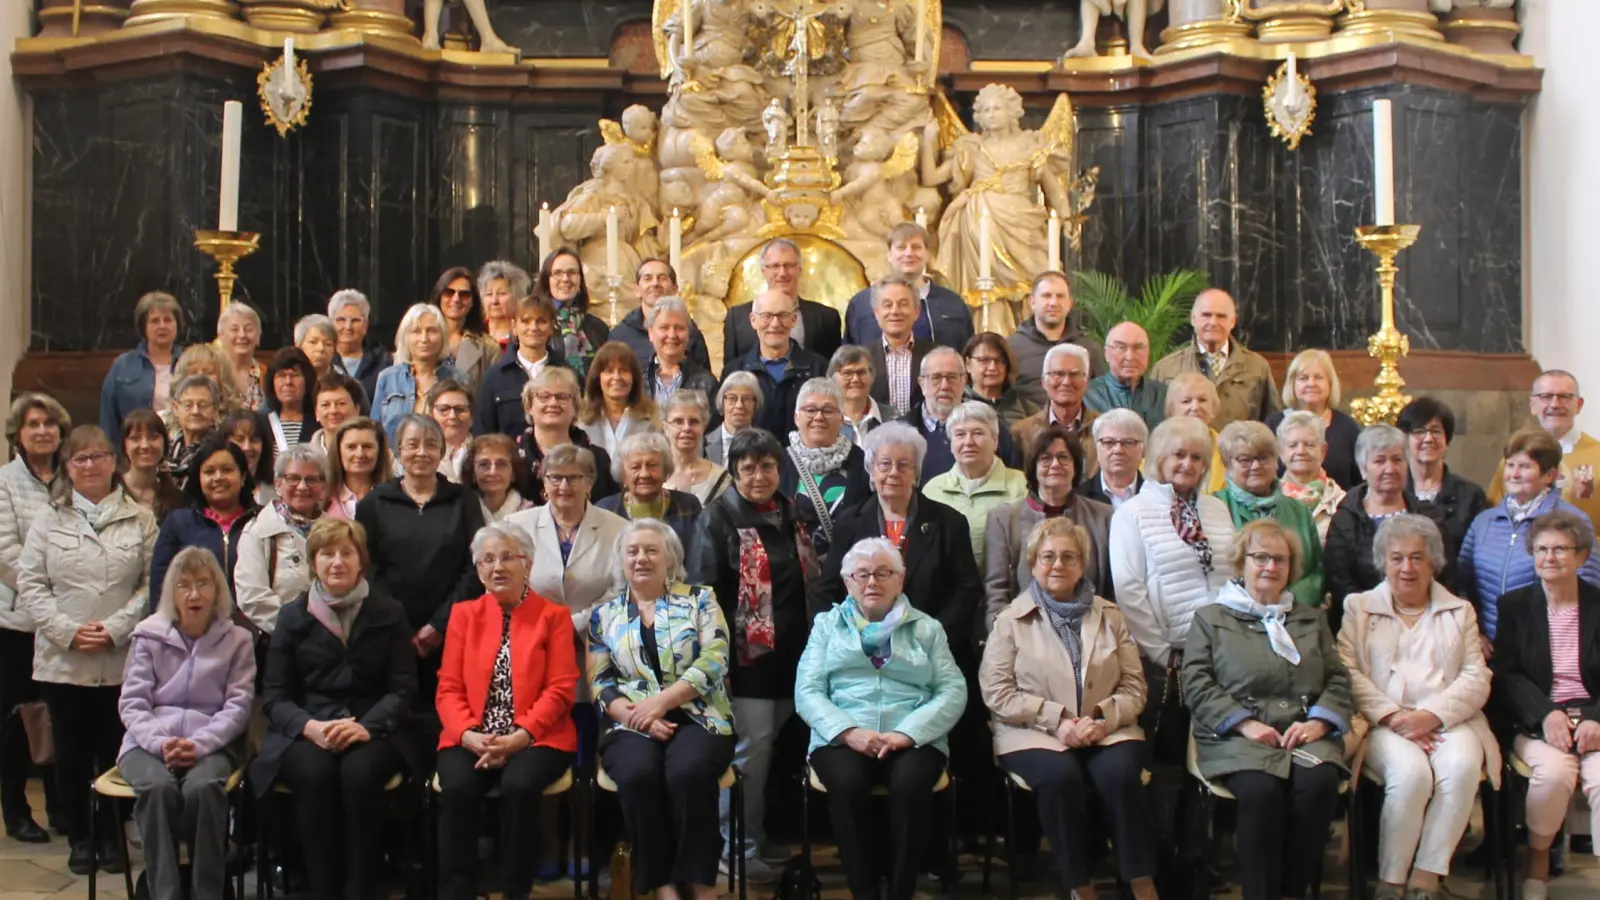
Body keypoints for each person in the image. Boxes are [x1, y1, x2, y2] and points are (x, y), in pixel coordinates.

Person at [980, 518, 1158, 900]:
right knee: (1061, 779)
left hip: (1106, 727)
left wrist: (1100, 719)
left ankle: (1141, 880)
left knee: (1121, 777)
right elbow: (997, 693)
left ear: (1083, 564)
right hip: (1031, 731)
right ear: (1032, 563)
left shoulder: (1110, 615)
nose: (1057, 564)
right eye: (1047, 557)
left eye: (1068, 556)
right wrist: (1057, 721)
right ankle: (1080, 885)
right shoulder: (1009, 621)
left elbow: (1134, 685)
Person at [1182, 518, 1351, 900]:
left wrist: (1320, 724)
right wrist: (1244, 724)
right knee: (1262, 794)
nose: (1270, 567)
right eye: (1261, 557)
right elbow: (1196, 684)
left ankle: (1290, 892)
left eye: (1280, 559)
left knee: (1320, 785)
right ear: (1242, 562)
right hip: (1235, 738)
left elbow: (1339, 679)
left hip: (1303, 733)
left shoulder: (1312, 619)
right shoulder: (1210, 619)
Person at [249, 517, 416, 900]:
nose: (337, 562)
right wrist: (310, 727)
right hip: (307, 728)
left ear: (362, 561)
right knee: (314, 775)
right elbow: (275, 695)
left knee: (360, 775)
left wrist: (367, 726)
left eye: (347, 553)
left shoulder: (389, 612)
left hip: (373, 726)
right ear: (313, 562)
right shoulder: (292, 616)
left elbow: (403, 688)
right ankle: (322, 888)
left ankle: (360, 888)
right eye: (327, 554)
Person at [18, 425, 158, 873]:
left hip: (121, 659)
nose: (91, 465)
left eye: (99, 456)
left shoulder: (141, 518)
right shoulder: (48, 520)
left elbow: (152, 584)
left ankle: (113, 835)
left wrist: (116, 627)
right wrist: (68, 631)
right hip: (64, 659)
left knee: (116, 750)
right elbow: (31, 583)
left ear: (115, 462)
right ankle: (81, 837)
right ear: (68, 468)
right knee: (72, 754)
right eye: (81, 459)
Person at [796, 536, 967, 900]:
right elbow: (807, 691)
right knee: (847, 784)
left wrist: (907, 733)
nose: (872, 582)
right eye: (862, 574)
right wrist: (848, 732)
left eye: (883, 573)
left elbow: (953, 690)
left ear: (900, 580)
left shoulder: (927, 628)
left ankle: (901, 891)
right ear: (847, 583)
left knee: (910, 786)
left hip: (912, 735)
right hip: (842, 735)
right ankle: (865, 892)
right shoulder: (827, 626)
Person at [1338, 514, 1497, 900]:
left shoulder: (1459, 610)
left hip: (1450, 719)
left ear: (1433, 563)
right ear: (1383, 562)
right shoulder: (1359, 607)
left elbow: (1477, 676)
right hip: (1383, 722)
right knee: (1411, 775)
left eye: (1417, 558)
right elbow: (1346, 671)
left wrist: (1433, 716)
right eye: (1397, 558)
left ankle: (1426, 877)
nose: (1406, 568)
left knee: (1460, 769)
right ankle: (1391, 883)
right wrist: (1394, 716)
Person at [685, 428, 819, 881]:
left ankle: (758, 837)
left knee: (771, 758)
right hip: (746, 664)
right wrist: (714, 663)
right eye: (747, 468)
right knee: (748, 759)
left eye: (766, 466)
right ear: (734, 472)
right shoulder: (717, 518)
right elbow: (703, 597)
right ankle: (734, 849)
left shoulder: (790, 511)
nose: (758, 476)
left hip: (795, 657)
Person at [589, 519, 736, 900]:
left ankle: (699, 880)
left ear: (670, 558)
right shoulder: (603, 616)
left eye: (651, 550)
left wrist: (659, 705)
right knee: (638, 775)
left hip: (699, 715)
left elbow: (714, 661)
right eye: (633, 551)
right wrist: (638, 717)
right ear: (620, 560)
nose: (641, 558)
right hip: (629, 724)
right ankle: (661, 882)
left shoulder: (701, 598)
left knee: (688, 773)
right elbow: (601, 681)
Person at [435, 522, 579, 900]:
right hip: (470, 735)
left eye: (507, 558)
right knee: (457, 789)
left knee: (519, 786)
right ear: (478, 570)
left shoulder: (553, 616)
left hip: (537, 737)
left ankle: (516, 890)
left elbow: (561, 689)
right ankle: (457, 891)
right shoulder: (464, 615)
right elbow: (448, 688)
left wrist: (521, 736)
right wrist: (468, 733)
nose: (497, 567)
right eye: (487, 560)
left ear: (527, 563)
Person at [116, 547, 254, 900]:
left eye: (204, 584)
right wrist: (161, 743)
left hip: (212, 742)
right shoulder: (147, 635)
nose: (194, 595)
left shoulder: (237, 639)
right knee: (157, 788)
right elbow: (133, 704)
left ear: (217, 591)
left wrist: (200, 744)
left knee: (203, 788)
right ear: (170, 592)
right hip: (147, 743)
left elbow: (237, 707)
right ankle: (165, 893)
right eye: (184, 585)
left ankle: (207, 891)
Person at [356, 414, 485, 758]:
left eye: (431, 444)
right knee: (398, 728)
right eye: (412, 444)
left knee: (449, 723)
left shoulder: (463, 501)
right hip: (390, 633)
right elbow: (366, 569)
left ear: (443, 450)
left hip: (453, 631)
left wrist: (438, 626)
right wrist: (400, 626)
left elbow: (475, 569)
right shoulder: (374, 503)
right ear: (398, 451)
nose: (422, 452)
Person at [1491, 509, 1600, 900]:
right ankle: (1538, 858)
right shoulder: (1515, 606)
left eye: (1560, 549)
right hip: (1534, 718)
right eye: (1541, 549)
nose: (1549, 558)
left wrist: (1596, 719)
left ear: (1582, 556)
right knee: (1553, 773)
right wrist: (1545, 712)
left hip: (1593, 716)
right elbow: (1507, 673)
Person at [820, 422, 984, 652]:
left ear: (916, 472)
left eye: (904, 465)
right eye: (885, 464)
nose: (893, 473)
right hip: (861, 650)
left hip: (930, 647)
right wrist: (852, 639)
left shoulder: (949, 523)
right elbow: (829, 589)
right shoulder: (849, 523)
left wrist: (930, 636)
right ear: (871, 470)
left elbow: (966, 590)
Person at [1109, 416, 1234, 716]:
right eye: (1179, 455)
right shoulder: (1132, 513)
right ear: (1160, 459)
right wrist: (1163, 654)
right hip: (1170, 657)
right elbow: (1129, 592)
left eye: (1197, 457)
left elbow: (1234, 574)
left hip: (1224, 649)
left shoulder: (1217, 508)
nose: (1187, 464)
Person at [0, 394, 68, 843]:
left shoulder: (72, 475)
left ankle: (63, 807)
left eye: (49, 424)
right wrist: (45, 596)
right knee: (14, 720)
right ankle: (16, 809)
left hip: (67, 620)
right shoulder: (5, 481)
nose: (41, 431)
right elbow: (6, 551)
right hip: (18, 620)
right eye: (32, 424)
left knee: (61, 716)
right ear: (18, 434)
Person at [1460, 429, 1600, 646]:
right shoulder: (1483, 521)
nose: (1514, 474)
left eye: (1525, 466)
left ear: (1549, 475)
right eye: (1510, 465)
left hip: (1546, 649)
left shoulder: (1573, 521)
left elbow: (1588, 588)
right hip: (1488, 647)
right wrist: (1473, 633)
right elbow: (1462, 582)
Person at [985, 422, 1114, 627]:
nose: (1055, 465)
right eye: (1045, 458)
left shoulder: (1104, 516)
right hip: (1024, 630)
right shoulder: (1003, 518)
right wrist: (1003, 636)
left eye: (1064, 457)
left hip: (1090, 629)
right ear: (1033, 467)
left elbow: (1111, 589)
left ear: (1076, 467)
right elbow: (996, 591)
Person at [1325, 425, 1446, 633]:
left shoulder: (1428, 516)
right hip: (1363, 626)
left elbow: (1443, 573)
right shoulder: (1345, 519)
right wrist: (1381, 619)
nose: (1390, 469)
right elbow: (1341, 585)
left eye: (1397, 459)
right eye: (1380, 461)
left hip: (1424, 625)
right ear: (1363, 469)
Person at [1214, 420, 1325, 608]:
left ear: (1276, 461)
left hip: (1294, 614)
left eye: (1264, 457)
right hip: (1234, 615)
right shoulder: (1215, 506)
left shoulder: (1298, 510)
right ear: (1227, 464)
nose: (1256, 466)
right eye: (1245, 459)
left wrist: (1287, 602)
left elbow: (1317, 571)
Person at [149, 436, 259, 611]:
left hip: (255, 631)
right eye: (209, 472)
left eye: (227, 470)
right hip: (191, 631)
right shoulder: (178, 523)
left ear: (243, 476)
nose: (218, 477)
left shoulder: (263, 520)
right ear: (198, 479)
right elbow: (160, 589)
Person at [1149, 288, 1280, 429]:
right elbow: (1154, 424)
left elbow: (1272, 423)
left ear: (1233, 321)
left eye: (1221, 316)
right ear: (1193, 318)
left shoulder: (1257, 367)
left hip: (1237, 450)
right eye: (1206, 315)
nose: (1213, 322)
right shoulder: (1165, 369)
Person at [234, 443, 328, 634]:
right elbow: (253, 599)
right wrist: (304, 631)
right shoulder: (258, 532)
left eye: (311, 479)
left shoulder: (335, 530)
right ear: (278, 484)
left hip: (332, 645)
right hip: (284, 642)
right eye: (293, 479)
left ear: (323, 486)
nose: (302, 487)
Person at [923, 400, 1026, 570]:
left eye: (977, 433)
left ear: (995, 441)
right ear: (950, 444)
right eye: (960, 434)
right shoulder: (932, 490)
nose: (968, 441)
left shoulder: (1021, 486)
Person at [1490, 369, 1600, 525]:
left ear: (1579, 405)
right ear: (1533, 405)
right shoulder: (1513, 459)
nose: (1555, 404)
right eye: (1546, 397)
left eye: (1565, 397)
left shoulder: (1597, 456)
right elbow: (1496, 512)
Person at [779, 378, 872, 559]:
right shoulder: (778, 462)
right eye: (810, 410)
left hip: (848, 572)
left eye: (828, 410)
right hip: (793, 572)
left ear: (841, 419)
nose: (819, 417)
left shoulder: (862, 462)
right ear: (796, 418)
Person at [842, 222, 973, 350]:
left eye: (916, 247)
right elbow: (849, 356)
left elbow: (967, 353)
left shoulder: (952, 303)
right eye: (901, 247)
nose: (909, 253)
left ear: (927, 255)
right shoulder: (862, 304)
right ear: (889, 255)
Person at [899, 347, 1020, 486]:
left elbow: (1013, 482)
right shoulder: (900, 433)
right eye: (936, 378)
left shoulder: (991, 427)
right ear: (922, 383)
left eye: (952, 377)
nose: (945, 386)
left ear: (964, 381)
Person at [727, 290, 831, 443]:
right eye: (767, 316)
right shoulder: (735, 371)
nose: (775, 324)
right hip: (752, 462)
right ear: (753, 320)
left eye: (783, 315)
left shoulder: (818, 368)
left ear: (793, 319)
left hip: (804, 463)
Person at [722, 238, 843, 369]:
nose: (782, 273)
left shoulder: (826, 318)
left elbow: (833, 373)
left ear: (799, 269)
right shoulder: (737, 317)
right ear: (763, 271)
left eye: (789, 265)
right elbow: (731, 372)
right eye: (775, 266)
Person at [1396, 397, 1487, 560]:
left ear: (1447, 440)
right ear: (1405, 440)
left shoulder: (1471, 495)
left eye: (1436, 431)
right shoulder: (1394, 491)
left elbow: (1479, 553)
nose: (1428, 439)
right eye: (1419, 432)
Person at [515, 367, 619, 504]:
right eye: (544, 397)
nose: (553, 403)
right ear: (529, 406)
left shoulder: (598, 459)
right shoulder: (512, 458)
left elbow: (611, 508)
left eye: (562, 397)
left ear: (575, 407)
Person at [1007, 272, 1106, 408]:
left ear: (1070, 303)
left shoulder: (1090, 349)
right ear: (1032, 302)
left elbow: (1102, 397)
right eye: (1046, 296)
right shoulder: (1011, 348)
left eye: (1060, 296)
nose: (1053, 303)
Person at [1263, 349, 1361, 489]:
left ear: (1330, 383)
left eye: (1319, 377)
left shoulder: (1347, 428)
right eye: (1303, 378)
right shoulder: (1273, 425)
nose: (1311, 383)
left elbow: (1360, 480)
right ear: (1292, 384)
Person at [474, 294, 563, 440]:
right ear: (514, 327)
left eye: (541, 321)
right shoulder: (494, 378)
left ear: (551, 327)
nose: (533, 328)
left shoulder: (566, 374)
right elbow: (482, 434)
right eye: (526, 321)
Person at [100, 291, 183, 442]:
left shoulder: (189, 363)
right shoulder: (123, 365)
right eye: (155, 321)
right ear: (143, 326)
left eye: (168, 320)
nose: (162, 326)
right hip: (135, 450)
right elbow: (109, 419)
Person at [598, 433, 704, 551]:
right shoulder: (605, 509)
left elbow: (698, 557)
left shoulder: (688, 505)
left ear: (665, 471)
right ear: (623, 475)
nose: (645, 474)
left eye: (652, 465)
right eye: (635, 467)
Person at [375, 303, 461, 444]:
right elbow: (375, 429)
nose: (424, 338)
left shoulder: (458, 379)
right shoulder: (387, 378)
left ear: (443, 336)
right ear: (405, 337)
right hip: (395, 462)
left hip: (443, 460)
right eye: (416, 331)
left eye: (431, 331)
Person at [609, 258, 713, 370]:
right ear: (637, 289)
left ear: (675, 289)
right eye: (647, 278)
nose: (655, 283)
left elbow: (702, 380)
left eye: (662, 278)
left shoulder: (690, 332)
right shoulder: (620, 336)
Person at [1012, 342, 1097, 470]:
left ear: (1087, 382)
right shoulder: (1022, 433)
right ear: (1043, 382)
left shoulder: (1103, 430)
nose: (1066, 382)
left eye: (1075, 374)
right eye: (1058, 374)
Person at [862, 276, 933, 418]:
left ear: (917, 312)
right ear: (876, 313)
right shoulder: (862, 358)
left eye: (903, 304)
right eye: (887, 305)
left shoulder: (934, 356)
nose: (895, 311)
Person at [535, 250, 611, 376]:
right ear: (546, 280)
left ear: (580, 280)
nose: (565, 279)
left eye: (572, 272)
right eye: (557, 273)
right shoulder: (535, 325)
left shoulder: (598, 327)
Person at [579, 341, 660, 458]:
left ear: (634, 377)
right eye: (609, 371)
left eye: (623, 370)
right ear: (598, 377)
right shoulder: (582, 420)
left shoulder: (653, 418)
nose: (616, 377)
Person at [1276, 410, 1347, 543]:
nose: (1301, 451)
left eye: (1309, 444)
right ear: (1281, 452)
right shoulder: (1267, 500)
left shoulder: (1341, 502)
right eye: (1292, 445)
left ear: (1323, 451)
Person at [1085, 321, 1167, 430]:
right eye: (1121, 347)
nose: (1130, 357)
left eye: (1138, 347)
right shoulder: (1087, 395)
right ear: (1106, 354)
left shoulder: (1164, 395)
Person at [430, 266, 500, 388]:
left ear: (473, 302)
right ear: (439, 296)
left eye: (464, 294)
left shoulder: (489, 348)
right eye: (449, 292)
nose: (456, 299)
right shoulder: (421, 339)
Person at [642, 295, 718, 402]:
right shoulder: (637, 380)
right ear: (651, 333)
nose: (672, 335)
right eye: (664, 328)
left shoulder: (706, 383)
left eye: (679, 328)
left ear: (688, 334)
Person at [661, 391, 731, 505]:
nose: (686, 428)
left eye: (694, 422)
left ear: (704, 427)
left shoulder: (720, 479)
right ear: (665, 428)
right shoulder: (652, 474)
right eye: (678, 421)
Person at [1163, 372, 1227, 493]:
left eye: (1202, 400)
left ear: (1214, 406)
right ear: (1172, 409)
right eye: (1186, 401)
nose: (1195, 407)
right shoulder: (1158, 448)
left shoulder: (1228, 449)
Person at [328, 289, 391, 406]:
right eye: (341, 320)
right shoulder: (324, 360)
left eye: (355, 320)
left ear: (365, 325)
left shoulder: (383, 362)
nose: (348, 326)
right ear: (331, 324)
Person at [120, 409, 184, 522]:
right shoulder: (112, 490)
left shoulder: (176, 499)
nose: (144, 445)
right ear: (124, 446)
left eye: (153, 437)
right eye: (135, 438)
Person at [962, 332, 1035, 429]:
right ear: (968, 364)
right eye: (984, 360)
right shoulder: (957, 407)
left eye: (1000, 361)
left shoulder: (1027, 409)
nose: (992, 367)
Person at [160, 344, 241, 431]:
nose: (200, 377)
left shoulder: (237, 422)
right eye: (193, 372)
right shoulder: (162, 421)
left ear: (222, 378)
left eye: (208, 372)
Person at [1076, 409, 1146, 509]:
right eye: (1109, 442)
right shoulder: (1079, 499)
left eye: (1128, 442)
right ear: (1097, 448)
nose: (1118, 450)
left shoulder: (1157, 497)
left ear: (1143, 449)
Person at [163, 374, 223, 487]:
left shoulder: (221, 450)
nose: (195, 411)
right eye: (188, 405)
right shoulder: (166, 450)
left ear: (215, 410)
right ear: (176, 408)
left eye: (203, 405)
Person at [326, 416, 390, 521]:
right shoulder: (322, 498)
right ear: (338, 450)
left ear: (380, 451)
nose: (359, 454)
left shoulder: (395, 497)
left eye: (367, 446)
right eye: (351, 447)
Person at [460, 434, 533, 522]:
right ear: (473, 474)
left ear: (513, 474)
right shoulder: (460, 513)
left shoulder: (531, 514)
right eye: (484, 464)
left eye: (501, 464)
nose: (493, 472)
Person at [829, 345, 888, 445]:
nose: (855, 379)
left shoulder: (892, 417)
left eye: (861, 372)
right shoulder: (826, 419)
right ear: (833, 378)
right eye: (847, 373)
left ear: (872, 376)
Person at [264, 347, 318, 453]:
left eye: (295, 375)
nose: (288, 382)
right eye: (281, 375)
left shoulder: (318, 423)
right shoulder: (262, 424)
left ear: (307, 380)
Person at [217, 300, 266, 411]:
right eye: (234, 329)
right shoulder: (211, 372)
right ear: (221, 336)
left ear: (258, 337)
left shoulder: (267, 375)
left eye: (248, 329)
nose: (242, 335)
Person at [223, 408, 277, 507]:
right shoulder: (218, 487)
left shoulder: (276, 490)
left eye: (253, 440)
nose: (247, 447)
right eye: (239, 439)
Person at [707, 372, 762, 465]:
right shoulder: (702, 444)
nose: (739, 405)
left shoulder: (767, 446)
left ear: (755, 404)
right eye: (732, 398)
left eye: (746, 398)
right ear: (722, 402)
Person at [428, 379, 476, 482]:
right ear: (431, 415)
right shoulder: (421, 455)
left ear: (472, 416)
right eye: (444, 409)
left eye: (460, 409)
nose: (453, 416)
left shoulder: (483, 453)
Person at [309, 373, 364, 457]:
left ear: (357, 409)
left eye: (341, 403)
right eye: (325, 405)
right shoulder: (305, 459)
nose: (333, 411)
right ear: (316, 412)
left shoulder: (378, 455)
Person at [295, 314, 341, 380]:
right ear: (298, 345)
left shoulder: (346, 385)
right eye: (313, 342)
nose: (321, 348)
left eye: (328, 344)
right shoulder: (288, 381)